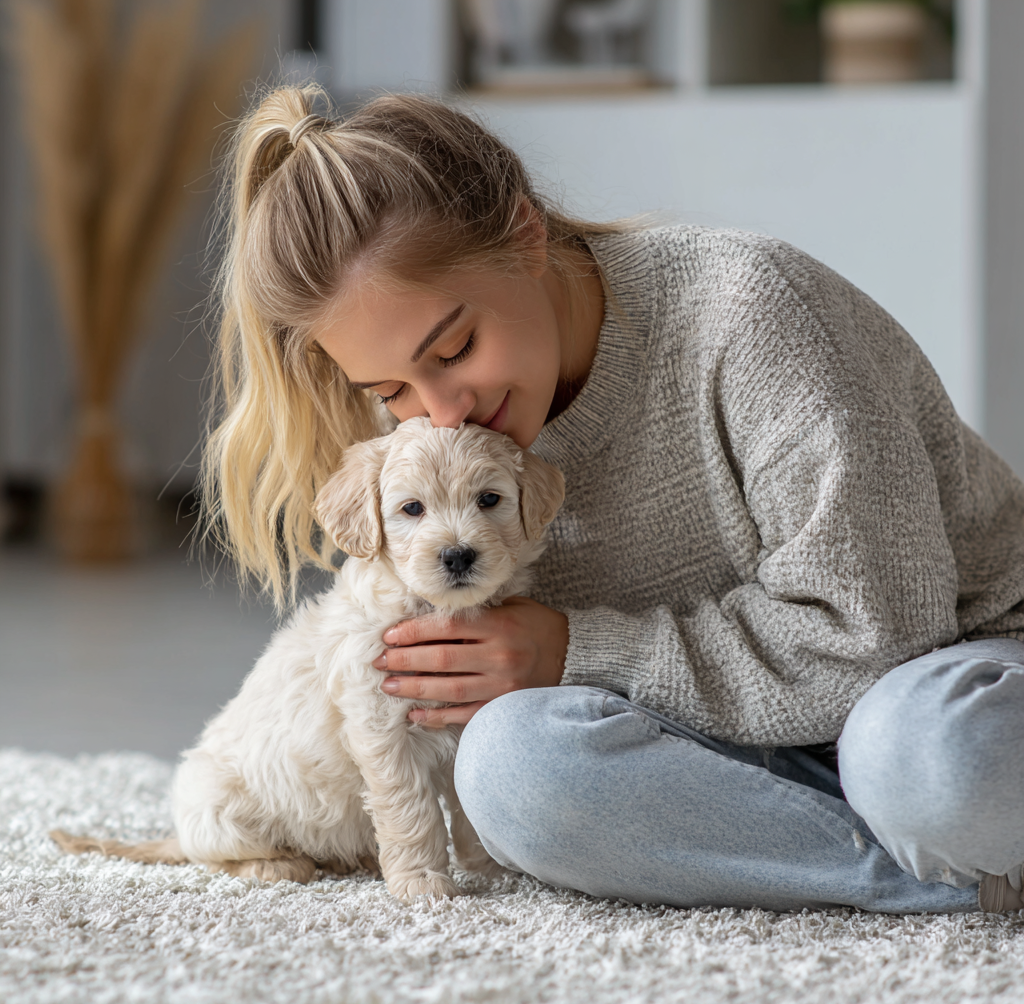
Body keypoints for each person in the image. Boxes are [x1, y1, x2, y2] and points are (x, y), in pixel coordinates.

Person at [200, 84, 1024, 914]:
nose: (441, 413)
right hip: (735, 742)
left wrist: (580, 653)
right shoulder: (444, 432)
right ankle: (954, 881)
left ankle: (891, 848)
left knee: (929, 760)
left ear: (526, 238)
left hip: (943, 673)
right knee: (511, 770)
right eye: (393, 390)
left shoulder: (751, 314)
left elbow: (881, 635)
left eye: (455, 348)